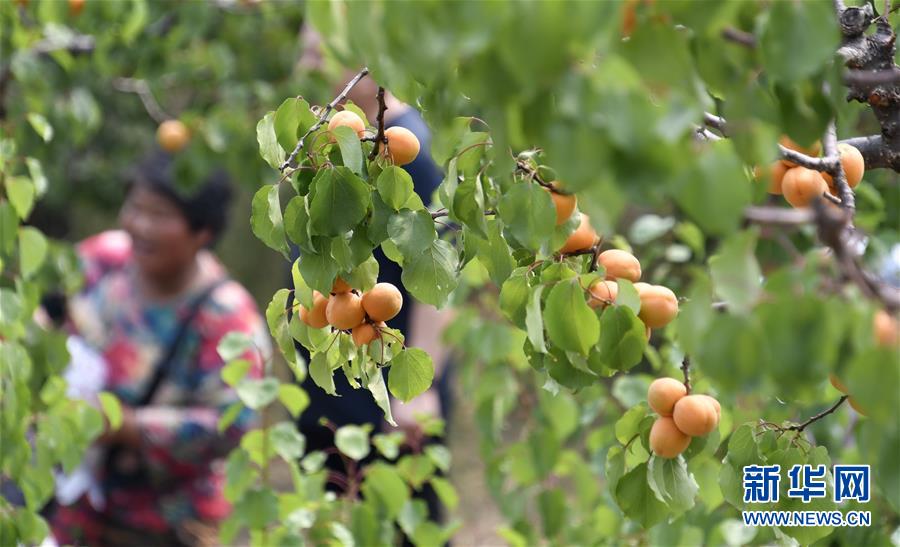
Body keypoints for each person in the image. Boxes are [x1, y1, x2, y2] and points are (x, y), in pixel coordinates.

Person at [48, 151, 271, 546]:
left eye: (160, 216)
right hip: (79, 509)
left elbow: (230, 422)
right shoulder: (104, 259)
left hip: (169, 524)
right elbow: (49, 311)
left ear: (202, 232)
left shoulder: (227, 319)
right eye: (135, 207)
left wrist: (126, 426)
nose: (139, 226)